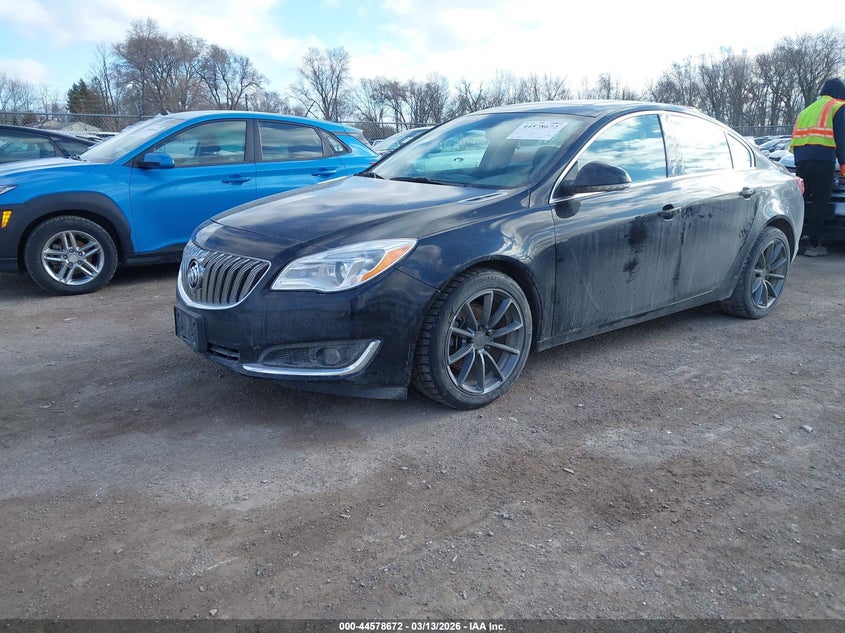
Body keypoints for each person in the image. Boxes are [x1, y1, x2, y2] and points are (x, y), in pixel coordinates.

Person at [789, 78, 845, 257]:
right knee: (821, 202)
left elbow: (795, 140)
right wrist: (843, 164)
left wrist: (800, 160)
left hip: (800, 160)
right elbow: (841, 138)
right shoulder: (837, 106)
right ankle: (814, 245)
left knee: (803, 201)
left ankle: (796, 242)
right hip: (823, 160)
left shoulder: (806, 110)